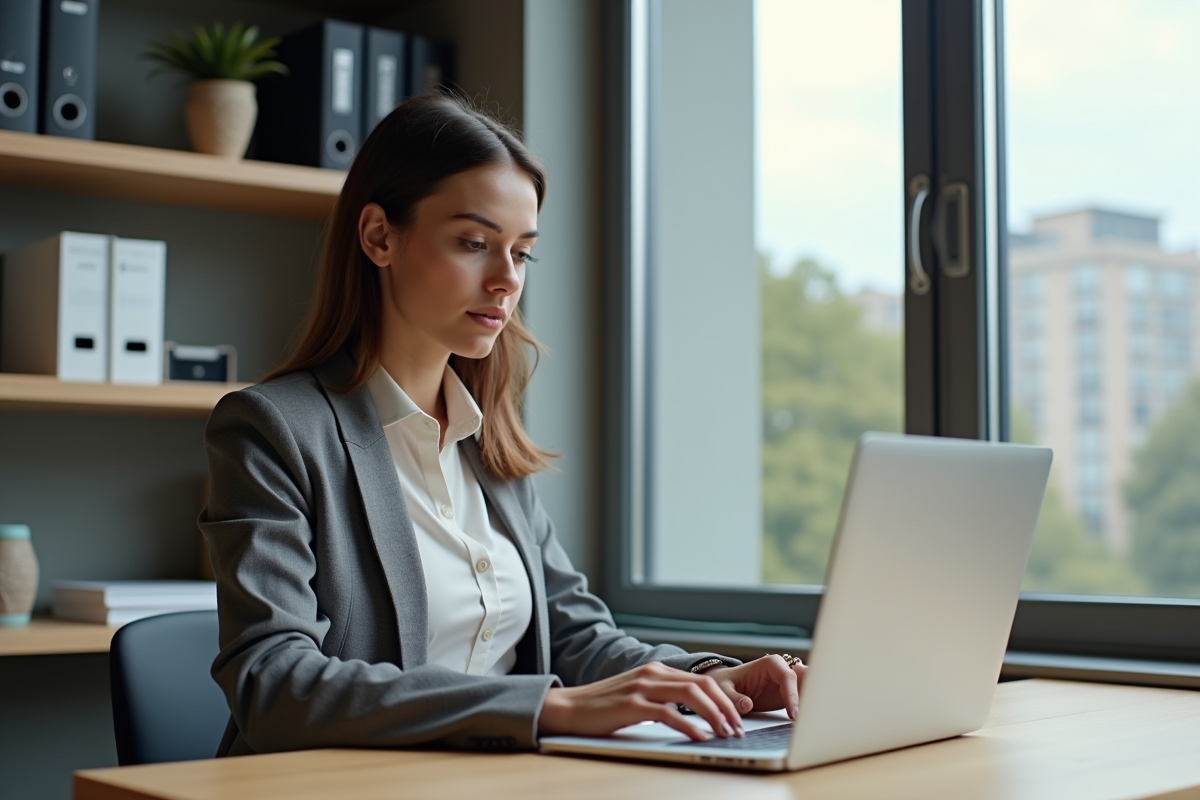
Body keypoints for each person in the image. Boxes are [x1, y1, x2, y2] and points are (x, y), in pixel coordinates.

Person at [200, 93, 806, 757]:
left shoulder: (487, 440)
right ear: (379, 236)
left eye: (521, 253)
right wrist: (545, 707)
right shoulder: (274, 429)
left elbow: (576, 637)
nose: (505, 280)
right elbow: (275, 683)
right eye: (474, 243)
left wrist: (716, 680)